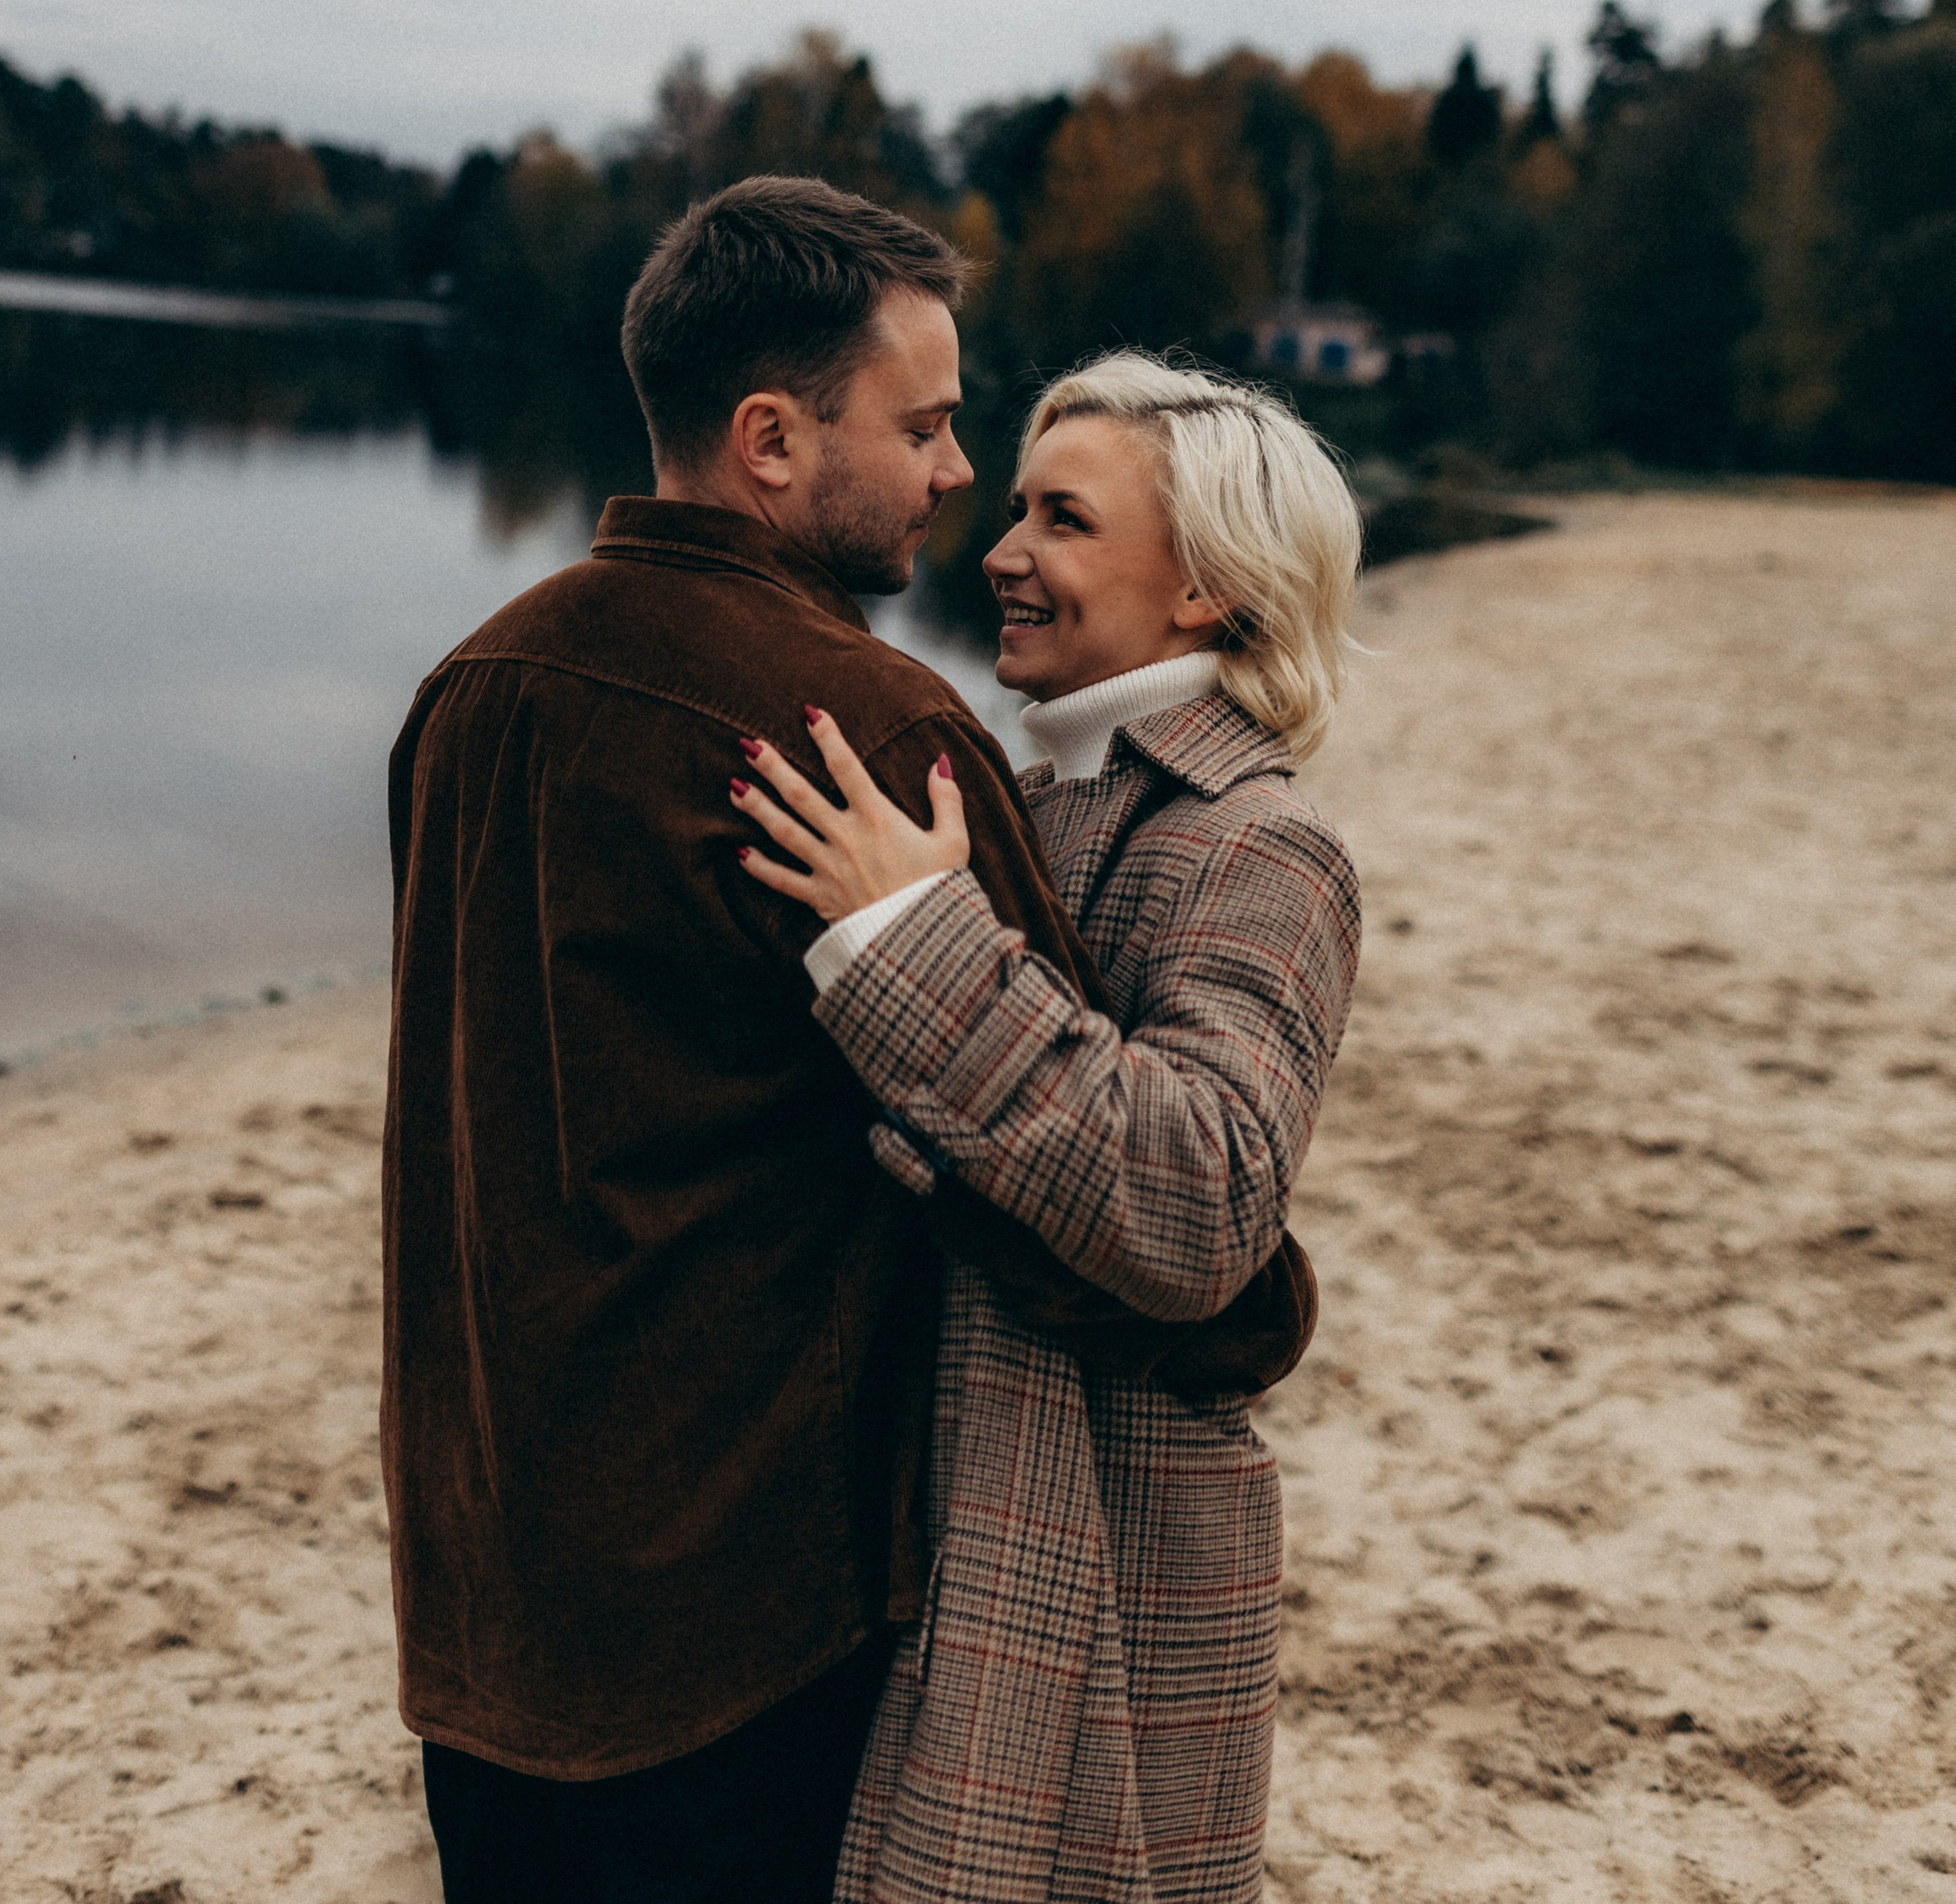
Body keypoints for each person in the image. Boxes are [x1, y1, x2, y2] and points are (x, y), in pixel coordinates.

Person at [382, 191, 1313, 1904]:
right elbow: (1145, 1251)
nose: (960, 479)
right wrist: (1263, 1311)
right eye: (929, 425)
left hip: (482, 1596)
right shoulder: (861, 727)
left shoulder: (469, 687)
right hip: (746, 1617)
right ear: (772, 442)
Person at [730, 355, 1362, 1904]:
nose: (1001, 550)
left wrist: (909, 939)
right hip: (939, 1514)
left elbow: (1203, 1201)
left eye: (1062, 520)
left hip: (1106, 1550)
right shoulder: (1019, 793)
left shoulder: (1263, 847)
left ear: (1208, 586)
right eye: (1013, 506)